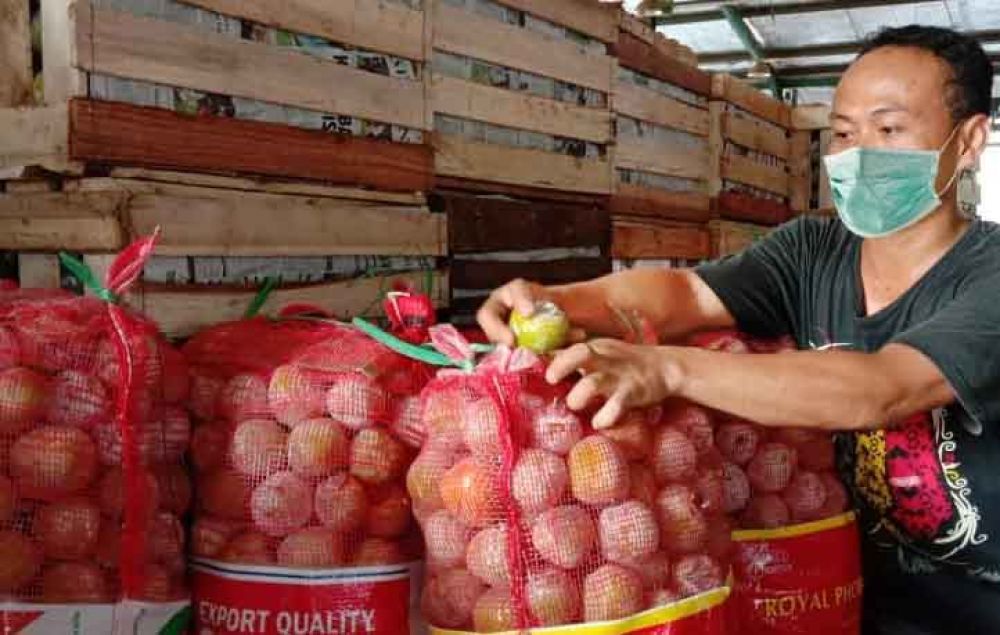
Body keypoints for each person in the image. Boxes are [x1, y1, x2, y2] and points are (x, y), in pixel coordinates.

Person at [477, 25, 997, 635]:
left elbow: (883, 388)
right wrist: (560, 301)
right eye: (843, 134)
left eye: (888, 130)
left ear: (967, 140)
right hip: (839, 592)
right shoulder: (813, 249)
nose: (858, 155)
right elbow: (683, 293)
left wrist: (668, 369)